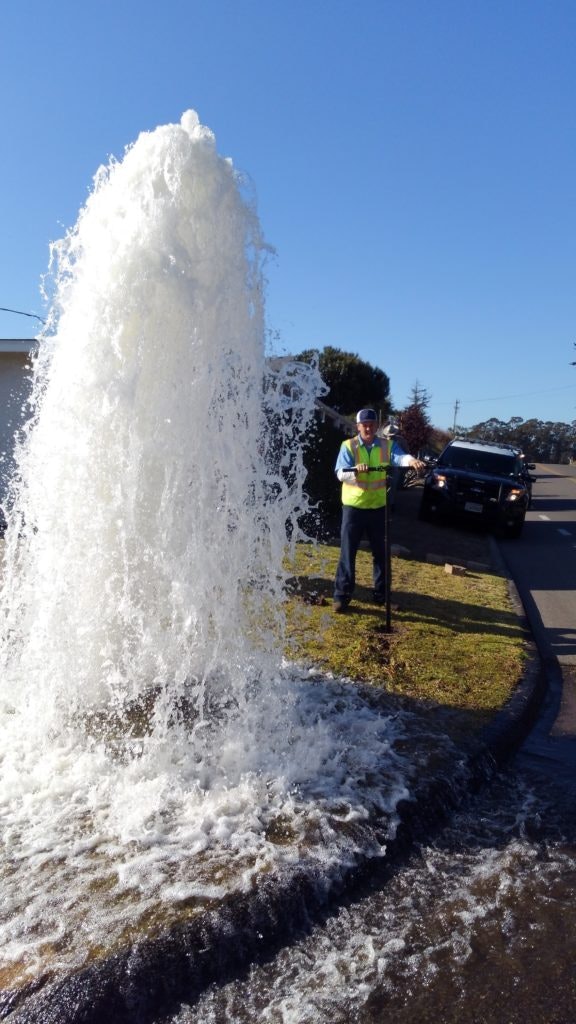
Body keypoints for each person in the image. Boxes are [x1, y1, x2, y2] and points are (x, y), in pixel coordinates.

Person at [333, 408, 425, 613]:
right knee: (348, 554)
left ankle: (382, 596)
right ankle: (342, 596)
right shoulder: (348, 446)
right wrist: (356, 471)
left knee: (382, 555)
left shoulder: (387, 445)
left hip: (378, 509)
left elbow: (400, 457)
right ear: (358, 426)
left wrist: (412, 461)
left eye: (372, 424)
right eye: (364, 424)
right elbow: (340, 473)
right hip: (353, 509)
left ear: (377, 426)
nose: (368, 427)